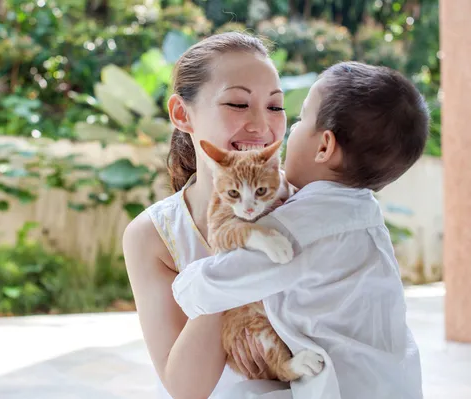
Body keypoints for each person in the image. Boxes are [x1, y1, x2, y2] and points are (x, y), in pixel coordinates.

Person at [172, 61, 429, 399]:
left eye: (299, 119)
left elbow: (204, 290)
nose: (286, 130)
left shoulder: (298, 228)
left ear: (324, 146)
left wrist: (186, 281)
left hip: (340, 387)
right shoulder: (364, 211)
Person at [123, 32, 292, 398]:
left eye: (276, 107)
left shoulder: (303, 203)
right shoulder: (155, 235)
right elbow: (186, 388)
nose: (262, 125)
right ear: (183, 114)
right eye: (237, 103)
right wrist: (231, 281)